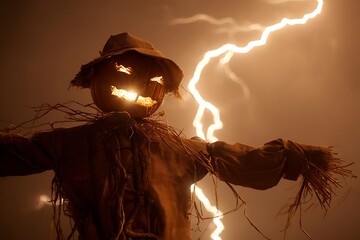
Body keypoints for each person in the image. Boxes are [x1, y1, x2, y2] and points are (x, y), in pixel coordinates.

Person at [0, 33, 353, 240]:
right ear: (94, 80)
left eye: (152, 78)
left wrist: (298, 155)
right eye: (122, 69)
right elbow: (16, 153)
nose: (136, 83)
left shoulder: (181, 150)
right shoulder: (71, 143)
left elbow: (237, 159)